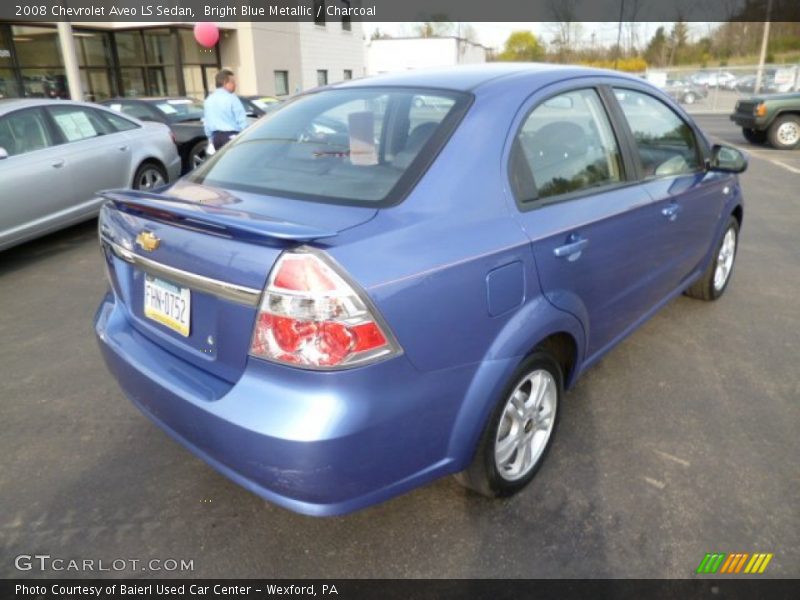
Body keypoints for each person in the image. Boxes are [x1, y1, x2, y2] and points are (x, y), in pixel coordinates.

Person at [203, 68, 248, 151]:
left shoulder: (208, 100)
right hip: (231, 137)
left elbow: (207, 122)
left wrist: (210, 138)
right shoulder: (232, 98)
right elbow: (242, 121)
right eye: (233, 82)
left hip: (215, 138)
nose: (235, 85)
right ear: (224, 83)